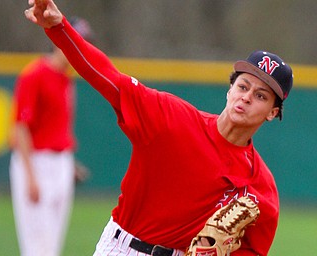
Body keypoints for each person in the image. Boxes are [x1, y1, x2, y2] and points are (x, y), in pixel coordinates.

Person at [24, 1, 293, 255]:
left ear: (273, 113)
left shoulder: (260, 190)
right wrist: (59, 29)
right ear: (229, 90)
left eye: (260, 96)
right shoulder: (172, 117)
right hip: (123, 248)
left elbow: (253, 250)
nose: (246, 97)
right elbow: (109, 78)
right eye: (243, 86)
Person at [9, 13, 93, 256]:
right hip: (36, 162)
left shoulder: (67, 79)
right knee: (36, 246)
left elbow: (57, 126)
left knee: (52, 245)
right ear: (60, 40)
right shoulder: (34, 74)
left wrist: (67, 161)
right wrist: (30, 176)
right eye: (78, 40)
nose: (81, 47)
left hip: (60, 163)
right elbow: (21, 127)